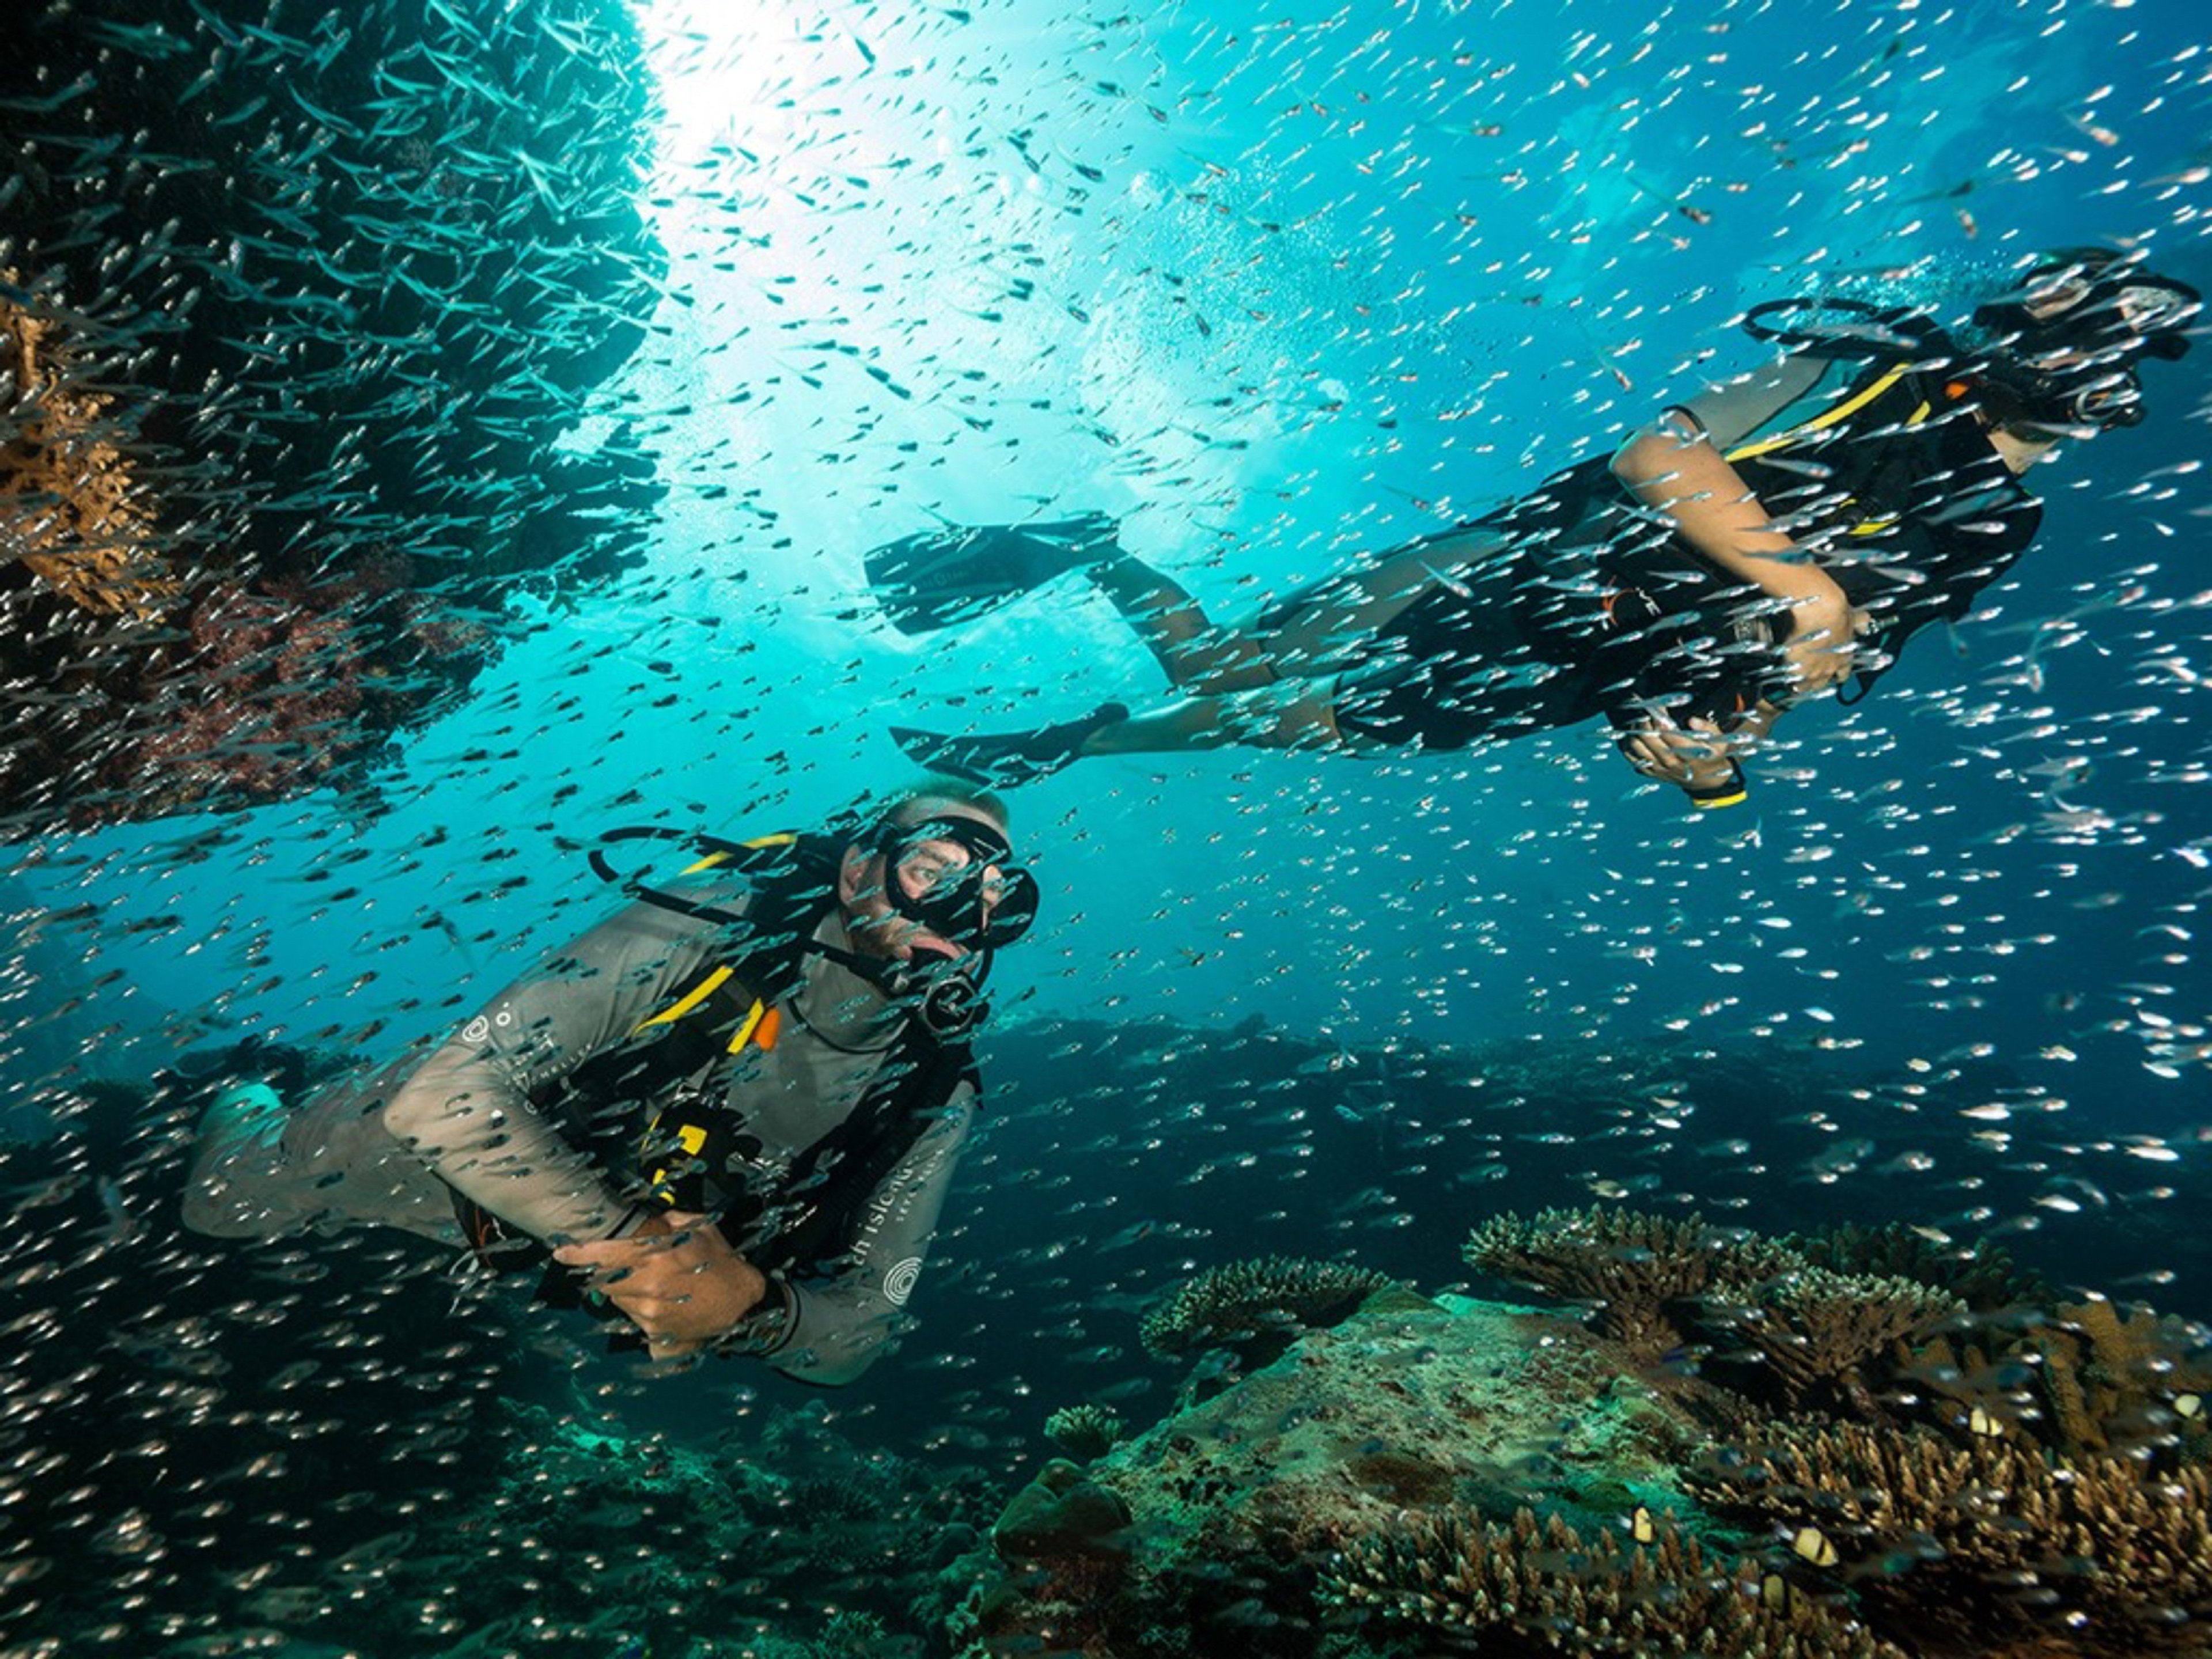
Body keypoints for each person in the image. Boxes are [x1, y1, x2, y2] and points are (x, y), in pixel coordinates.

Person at [873, 248, 2198, 809]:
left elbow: (1841, 657)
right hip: (1516, 563)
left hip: (1585, 672)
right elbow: (1661, 453)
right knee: (1221, 676)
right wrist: (1810, 589)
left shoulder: (1995, 527)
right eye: (2065, 316)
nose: (2069, 349)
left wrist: (1720, 755)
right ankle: (1095, 556)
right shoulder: (1877, 373)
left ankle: (1077, 738)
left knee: (1255, 717)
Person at [181, 780, 1035, 1384]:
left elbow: (863, 1333)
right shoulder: (717, 920)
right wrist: (648, 1253)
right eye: (934, 872)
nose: (966, 914)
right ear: (858, 873)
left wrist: (749, 1308)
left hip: (525, 1245)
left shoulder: (932, 1091)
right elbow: (442, 1100)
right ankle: (254, 1082)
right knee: (218, 1207)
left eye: (995, 895)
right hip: (395, 1157)